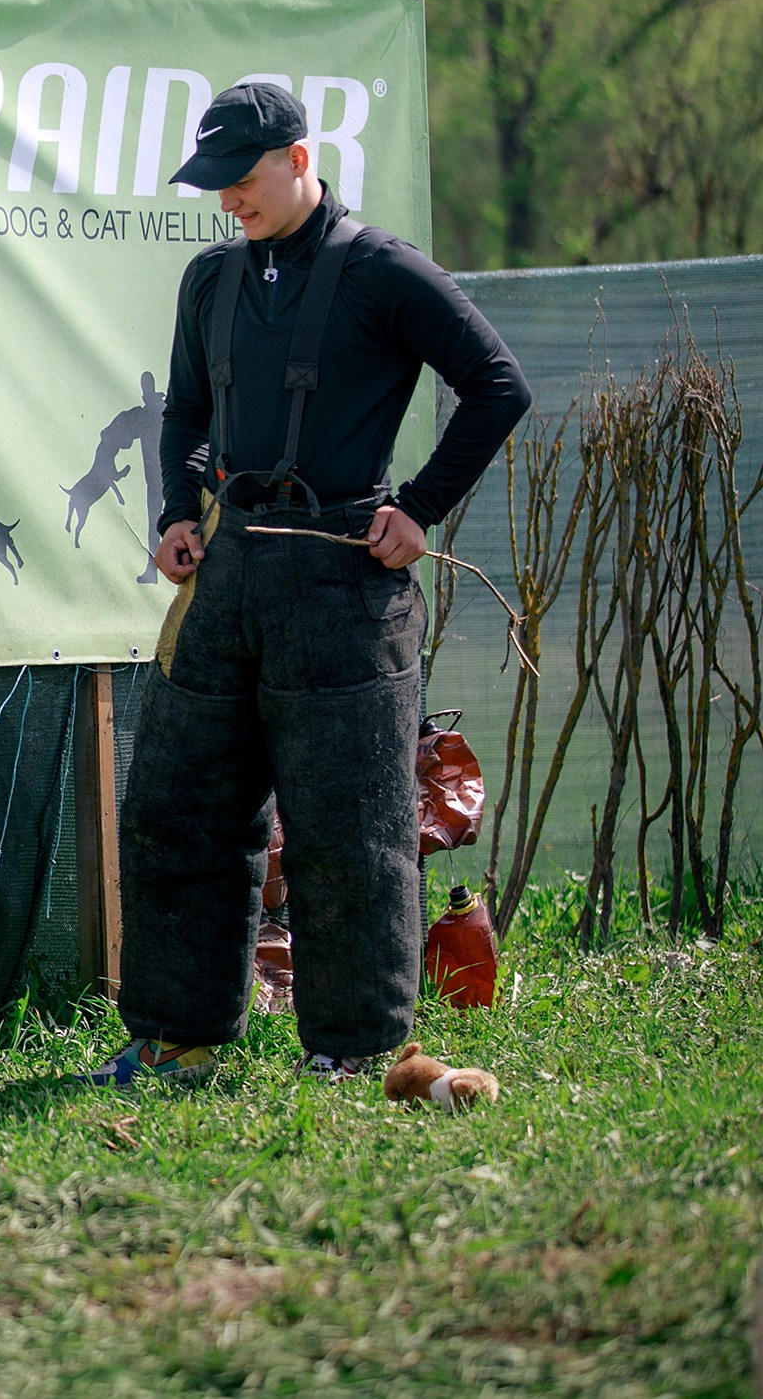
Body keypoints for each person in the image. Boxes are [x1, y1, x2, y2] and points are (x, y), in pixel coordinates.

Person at [96, 82, 531, 1086]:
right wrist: (173, 513)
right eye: (215, 187)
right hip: (225, 570)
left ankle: (353, 1047)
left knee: (351, 824)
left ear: (299, 158)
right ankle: (176, 1038)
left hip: (342, 578)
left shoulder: (381, 270)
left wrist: (417, 507)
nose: (227, 204)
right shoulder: (208, 279)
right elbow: (184, 415)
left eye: (241, 181)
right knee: (176, 807)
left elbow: (496, 384)